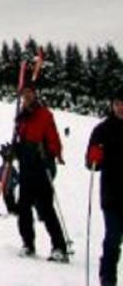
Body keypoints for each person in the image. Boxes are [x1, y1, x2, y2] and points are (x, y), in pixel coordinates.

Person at [13, 83, 69, 261]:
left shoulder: (44, 115)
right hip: (26, 168)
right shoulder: (21, 118)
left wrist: (51, 153)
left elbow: (54, 140)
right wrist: (13, 151)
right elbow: (20, 141)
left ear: (35, 94)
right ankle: (28, 243)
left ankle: (59, 247)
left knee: (46, 209)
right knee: (23, 208)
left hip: (42, 168)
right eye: (24, 94)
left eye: (29, 93)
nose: (27, 96)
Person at [86, 85, 123, 286]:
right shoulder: (102, 130)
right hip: (112, 195)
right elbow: (91, 163)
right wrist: (94, 158)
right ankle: (107, 279)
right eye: (117, 103)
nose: (120, 108)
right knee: (113, 239)